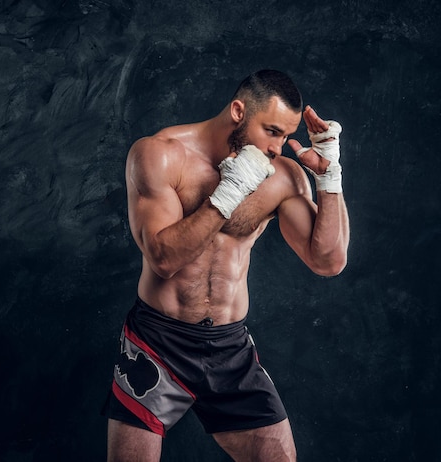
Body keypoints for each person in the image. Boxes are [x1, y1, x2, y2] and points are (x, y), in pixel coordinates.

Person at [103, 69, 350, 462]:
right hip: (158, 342)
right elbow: (163, 260)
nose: (277, 147)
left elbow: (328, 261)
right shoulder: (159, 154)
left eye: (285, 135)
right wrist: (230, 191)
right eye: (271, 131)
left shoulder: (283, 175)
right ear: (238, 111)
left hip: (229, 348)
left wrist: (329, 178)